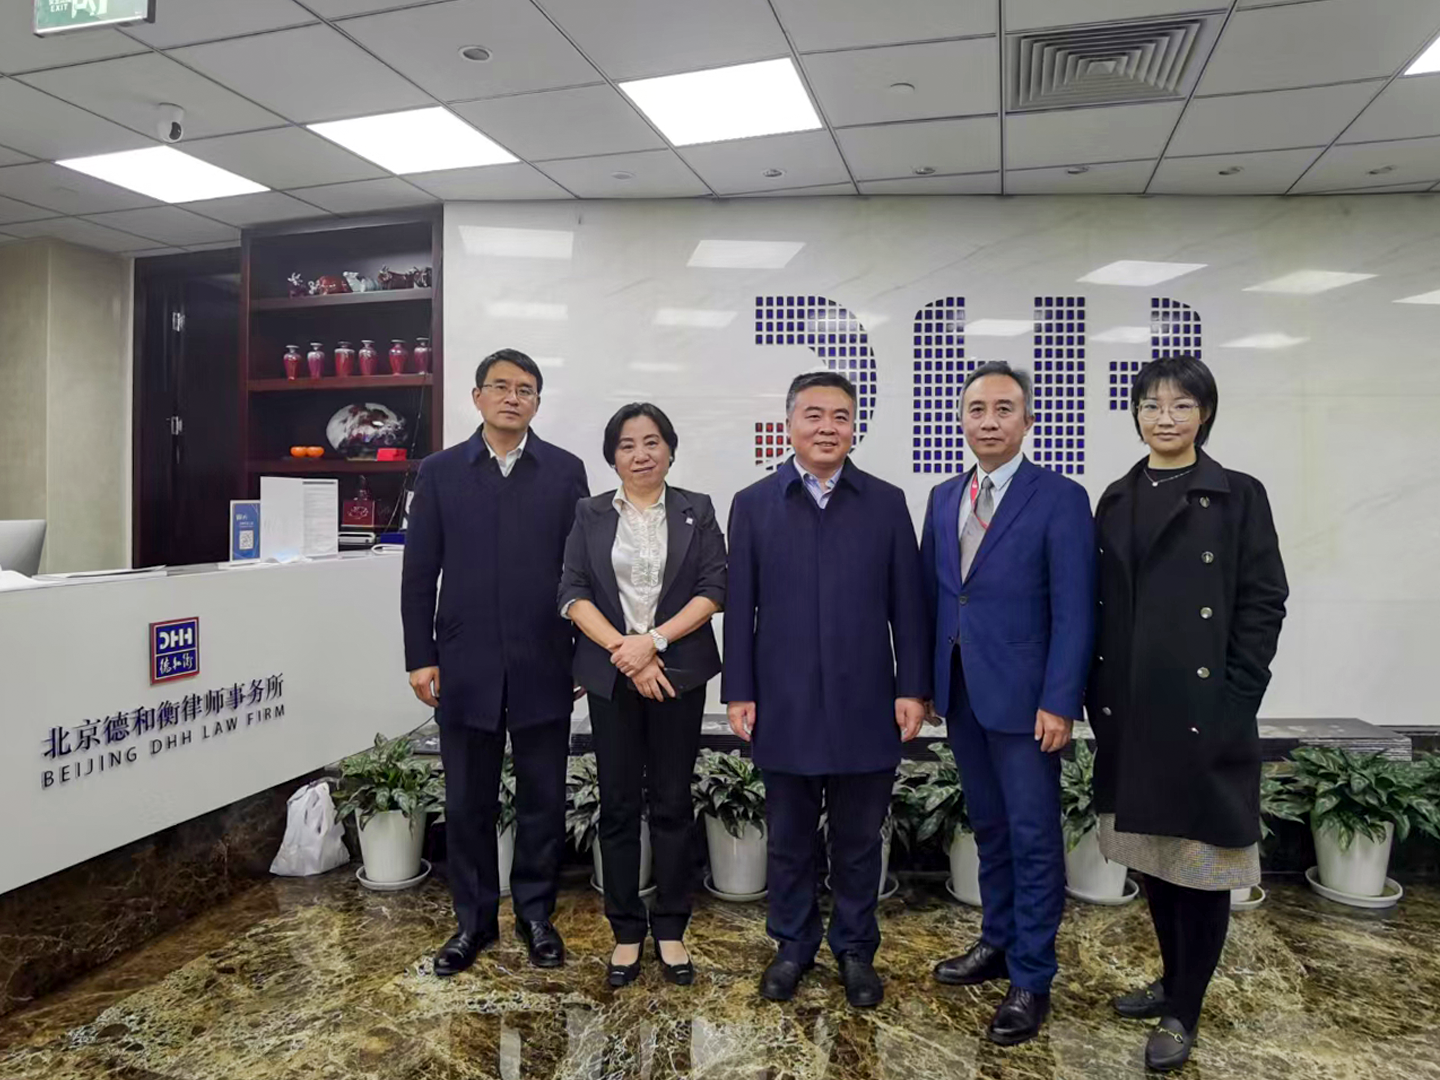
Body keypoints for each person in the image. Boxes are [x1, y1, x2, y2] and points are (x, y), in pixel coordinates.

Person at [1089, 355, 1287, 1072]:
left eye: (1180, 405)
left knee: (1200, 869)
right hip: (1132, 712)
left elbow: (1264, 602)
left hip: (1205, 713)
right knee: (1155, 860)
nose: (1164, 417)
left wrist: (1236, 701)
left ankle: (1185, 1008)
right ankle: (1173, 980)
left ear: (1204, 413)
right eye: (1151, 405)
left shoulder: (1238, 494)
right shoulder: (1117, 496)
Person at [723, 370, 930, 1009]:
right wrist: (739, 690)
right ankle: (792, 946)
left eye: (840, 416)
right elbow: (741, 607)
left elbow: (909, 606)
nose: (827, 427)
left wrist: (913, 688)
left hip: (865, 698)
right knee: (788, 839)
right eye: (813, 415)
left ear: (854, 427)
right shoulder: (755, 503)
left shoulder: (886, 502)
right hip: (782, 699)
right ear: (789, 424)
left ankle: (855, 950)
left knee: (859, 840)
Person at [920, 360, 1096, 1046]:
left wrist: (1060, 700)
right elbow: (938, 597)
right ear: (961, 420)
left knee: (1032, 837)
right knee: (989, 828)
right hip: (963, 692)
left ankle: (1032, 976)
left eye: (1003, 409)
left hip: (1028, 703)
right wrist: (927, 685)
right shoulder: (943, 496)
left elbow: (1075, 610)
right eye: (976, 410)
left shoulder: (1060, 498)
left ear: (1027, 421)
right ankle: (996, 944)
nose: (988, 421)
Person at [401, 347, 589, 976]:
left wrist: (582, 655)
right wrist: (420, 656)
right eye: (501, 386)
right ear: (477, 396)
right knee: (467, 802)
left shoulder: (563, 471)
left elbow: (582, 572)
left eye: (525, 389)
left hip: (545, 658)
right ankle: (473, 923)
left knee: (543, 799)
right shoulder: (440, 472)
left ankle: (537, 918)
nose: (513, 397)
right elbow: (419, 572)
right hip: (465, 662)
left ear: (537, 402)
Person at [558, 402, 727, 988]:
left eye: (652, 442)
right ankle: (626, 931)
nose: (641, 454)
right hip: (612, 676)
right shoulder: (589, 513)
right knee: (619, 804)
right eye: (627, 445)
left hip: (677, 673)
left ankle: (672, 928)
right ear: (613, 457)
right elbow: (572, 591)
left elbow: (714, 587)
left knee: (674, 803)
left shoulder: (696, 509)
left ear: (670, 450)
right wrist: (625, 652)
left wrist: (652, 643)